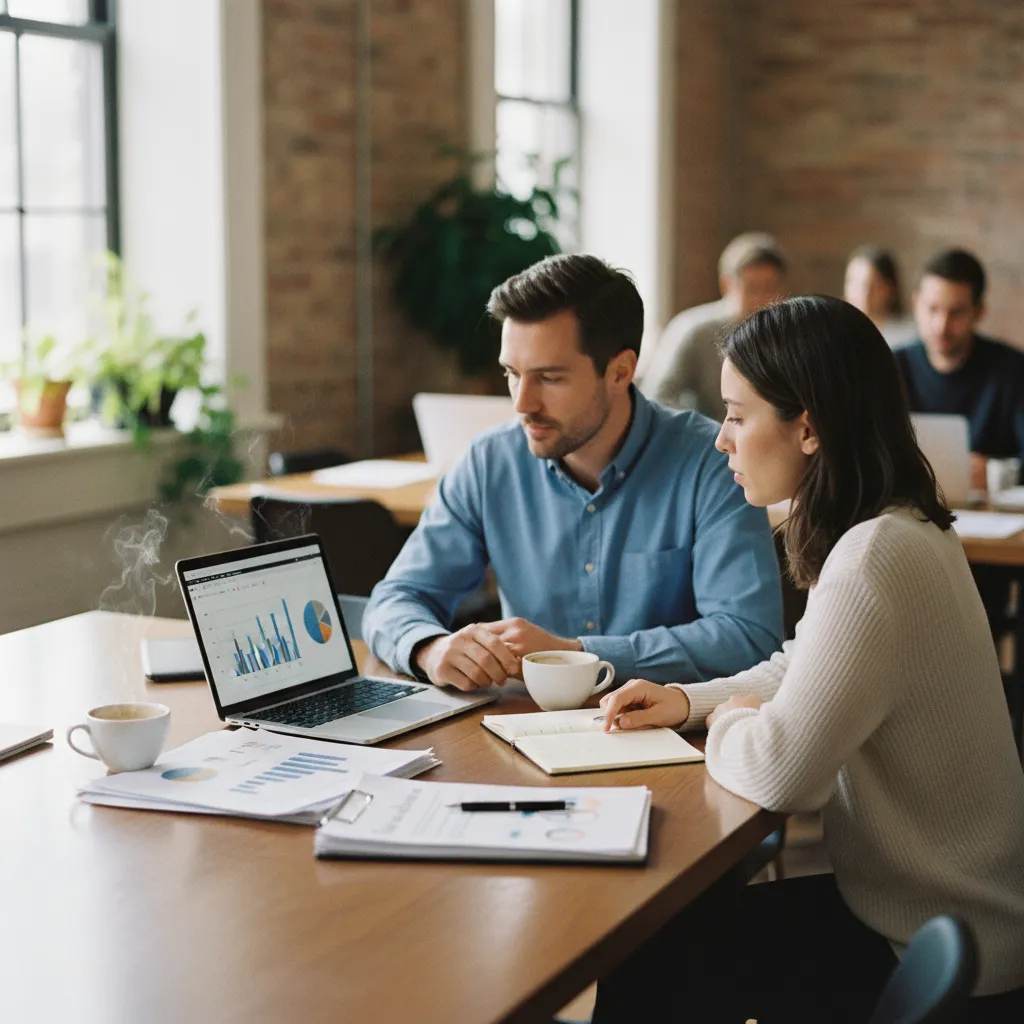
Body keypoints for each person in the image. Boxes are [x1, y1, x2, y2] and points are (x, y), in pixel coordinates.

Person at [593, 296, 1024, 1023]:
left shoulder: (873, 556)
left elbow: (782, 773)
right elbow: (802, 664)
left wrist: (730, 722)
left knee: (650, 958)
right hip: (941, 915)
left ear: (810, 426)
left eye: (736, 414)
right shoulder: (897, 525)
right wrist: (686, 700)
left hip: (940, 942)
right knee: (662, 945)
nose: (721, 440)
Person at [363, 254, 783, 690]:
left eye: (549, 378)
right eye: (513, 373)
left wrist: (579, 655)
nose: (523, 403)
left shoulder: (712, 461)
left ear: (620, 371)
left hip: (666, 736)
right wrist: (428, 648)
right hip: (519, 731)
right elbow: (394, 599)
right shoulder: (490, 462)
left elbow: (748, 637)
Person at [895, 248, 1024, 493]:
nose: (941, 325)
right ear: (916, 304)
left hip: (991, 513)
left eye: (956, 313)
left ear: (979, 311)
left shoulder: (1013, 370)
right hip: (910, 509)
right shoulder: (891, 366)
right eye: (932, 309)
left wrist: (996, 472)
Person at [641, 232, 786, 419]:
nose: (762, 299)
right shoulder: (693, 330)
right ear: (727, 285)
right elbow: (658, 395)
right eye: (752, 288)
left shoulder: (784, 334)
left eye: (769, 288)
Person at [842, 244, 917, 347]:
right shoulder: (838, 331)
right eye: (852, 282)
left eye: (870, 284)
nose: (862, 293)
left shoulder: (909, 337)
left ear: (889, 288)